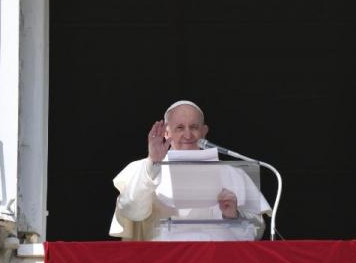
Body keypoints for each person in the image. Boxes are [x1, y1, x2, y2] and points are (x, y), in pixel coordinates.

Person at [109, 100, 272, 241]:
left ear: (204, 131)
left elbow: (256, 230)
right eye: (180, 128)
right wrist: (153, 162)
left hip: (218, 262)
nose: (188, 135)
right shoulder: (144, 170)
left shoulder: (233, 173)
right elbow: (133, 212)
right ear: (167, 132)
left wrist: (233, 215)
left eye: (194, 127)